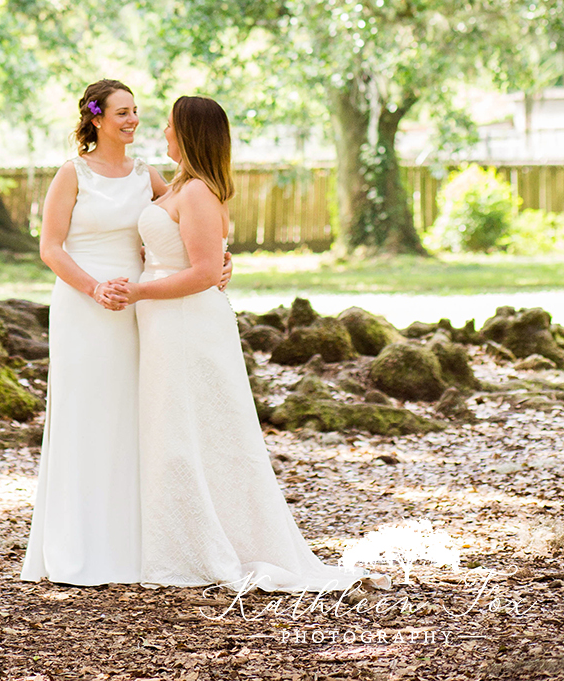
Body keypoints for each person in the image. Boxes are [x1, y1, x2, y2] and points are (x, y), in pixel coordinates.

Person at [116, 95, 367, 594]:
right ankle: (179, 537)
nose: (162, 133)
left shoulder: (200, 193)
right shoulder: (181, 186)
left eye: (168, 126)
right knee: (175, 428)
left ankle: (208, 544)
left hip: (186, 323)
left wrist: (141, 288)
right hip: (165, 322)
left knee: (196, 429)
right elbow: (194, 255)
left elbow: (207, 272)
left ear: (187, 134)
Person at [21, 80, 232, 587]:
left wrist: (226, 261)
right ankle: (76, 544)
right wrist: (95, 289)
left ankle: (136, 542)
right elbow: (51, 249)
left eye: (137, 111)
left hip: (140, 305)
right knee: (85, 413)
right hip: (84, 303)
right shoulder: (72, 174)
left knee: (134, 414)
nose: (133, 120)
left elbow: (195, 225)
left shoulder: (149, 175)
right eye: (122, 112)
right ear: (96, 119)